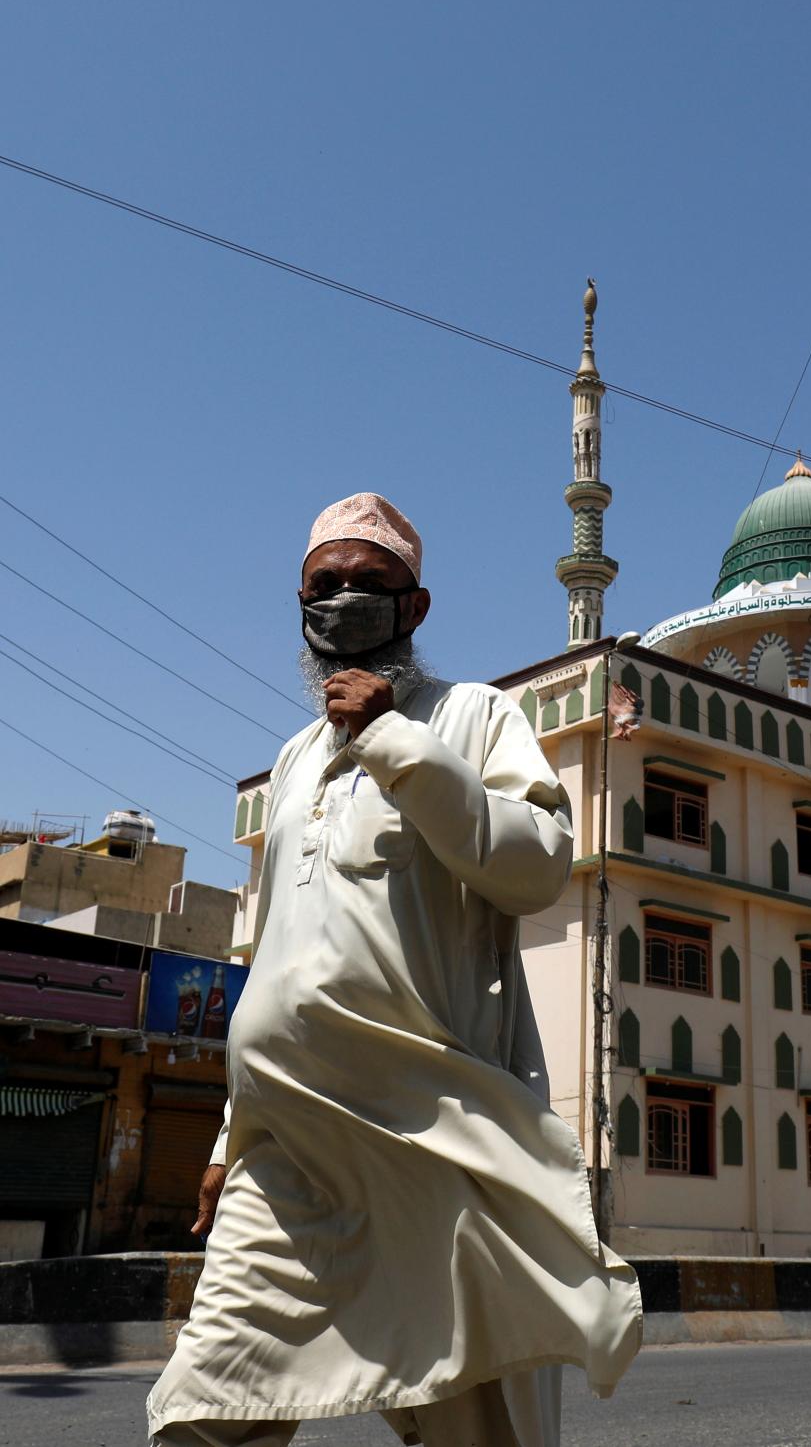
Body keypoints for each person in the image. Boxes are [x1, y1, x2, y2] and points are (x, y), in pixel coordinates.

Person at [147, 493, 642, 1447]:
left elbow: (537, 863)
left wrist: (394, 739)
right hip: (285, 1154)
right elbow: (277, 963)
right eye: (322, 587)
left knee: (468, 1423)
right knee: (205, 1414)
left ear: (414, 608)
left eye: (368, 586)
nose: (342, 604)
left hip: (424, 1145)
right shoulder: (293, 760)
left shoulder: (473, 717)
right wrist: (222, 1137)